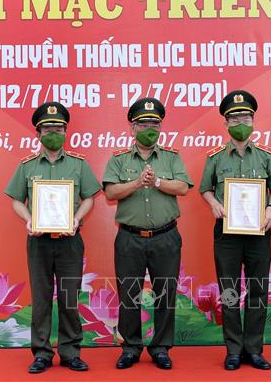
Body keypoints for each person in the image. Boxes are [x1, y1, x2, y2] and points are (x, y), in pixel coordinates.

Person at [4, 102, 101, 373]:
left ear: (66, 131)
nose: (53, 133)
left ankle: (70, 352)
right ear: (38, 133)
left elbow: (90, 198)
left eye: (58, 129)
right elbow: (16, 200)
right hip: (39, 242)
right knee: (41, 299)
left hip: (70, 241)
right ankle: (42, 353)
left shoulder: (78, 164)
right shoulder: (27, 166)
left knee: (69, 298)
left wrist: (76, 218)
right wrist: (29, 219)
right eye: (48, 129)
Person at [102, 97, 193, 370]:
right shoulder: (119, 159)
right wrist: (137, 183)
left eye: (155, 124)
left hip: (166, 237)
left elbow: (183, 187)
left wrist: (158, 181)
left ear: (161, 127)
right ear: (133, 127)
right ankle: (130, 347)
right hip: (129, 238)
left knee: (165, 293)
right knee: (128, 294)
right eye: (143, 124)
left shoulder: (171, 157)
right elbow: (110, 192)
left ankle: (161, 348)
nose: (149, 128)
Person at [199, 90, 271, 371]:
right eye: (234, 119)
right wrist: (214, 203)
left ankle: (254, 349)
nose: (240, 123)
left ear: (253, 121)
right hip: (227, 234)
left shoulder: (265, 156)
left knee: (258, 289)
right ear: (226, 123)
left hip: (259, 231)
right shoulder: (215, 157)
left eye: (245, 118)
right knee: (229, 291)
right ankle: (233, 349)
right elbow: (205, 189)